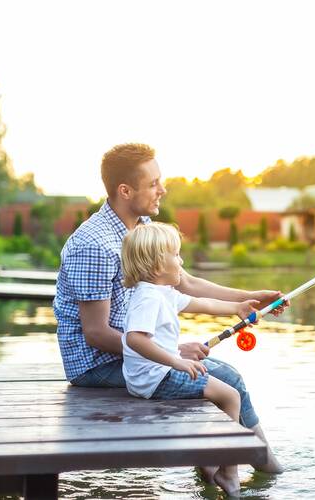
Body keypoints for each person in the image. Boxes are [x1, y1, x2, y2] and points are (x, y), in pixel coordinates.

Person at [52, 143, 285, 476]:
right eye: (154, 183)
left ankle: (226, 463)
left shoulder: (141, 226)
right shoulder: (94, 245)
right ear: (125, 190)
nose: (163, 189)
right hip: (96, 365)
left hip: (135, 350)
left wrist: (246, 299)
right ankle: (261, 463)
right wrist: (172, 350)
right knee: (226, 377)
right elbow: (96, 333)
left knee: (218, 373)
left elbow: (185, 283)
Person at [120, 222, 264, 496]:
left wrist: (237, 308)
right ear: (156, 266)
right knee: (230, 396)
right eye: (175, 255)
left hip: (157, 374)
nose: (181, 260)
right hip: (156, 378)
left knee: (220, 394)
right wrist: (177, 361)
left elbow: (204, 304)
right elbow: (134, 339)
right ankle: (229, 472)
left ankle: (210, 464)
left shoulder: (163, 293)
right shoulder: (148, 297)